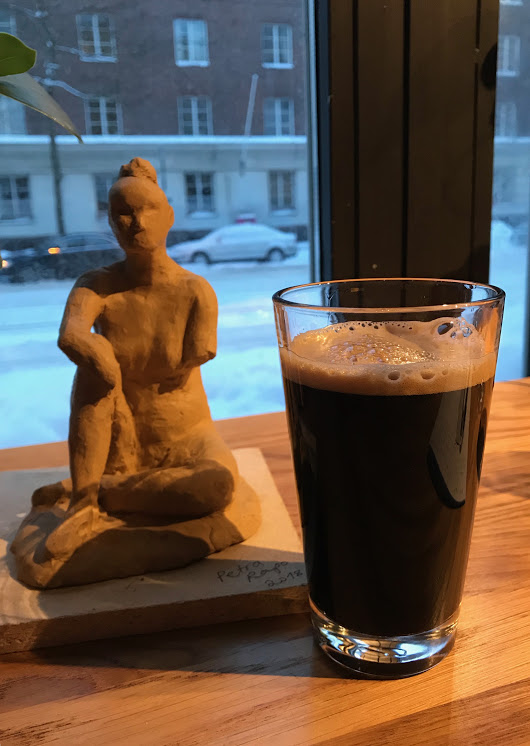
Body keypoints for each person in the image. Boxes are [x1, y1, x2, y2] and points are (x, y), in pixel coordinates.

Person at [44, 158, 237, 557]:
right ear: (111, 222)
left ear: (169, 217)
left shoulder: (195, 291)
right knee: (94, 357)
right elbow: (71, 335)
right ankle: (84, 503)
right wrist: (95, 354)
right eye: (123, 213)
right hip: (120, 437)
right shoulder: (97, 285)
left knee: (213, 487)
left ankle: (98, 491)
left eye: (148, 210)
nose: (136, 223)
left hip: (185, 440)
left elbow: (196, 355)